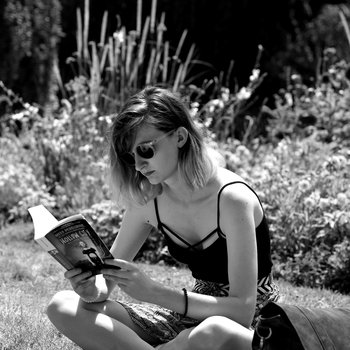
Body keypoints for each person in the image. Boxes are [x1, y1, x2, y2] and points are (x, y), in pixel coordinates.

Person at [46, 86, 280, 350]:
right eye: (130, 155)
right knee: (62, 305)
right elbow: (106, 281)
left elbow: (242, 311)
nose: (137, 165)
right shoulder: (149, 202)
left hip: (250, 327)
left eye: (145, 150)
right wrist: (92, 290)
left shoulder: (232, 199)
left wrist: (154, 292)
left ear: (180, 137)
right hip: (188, 318)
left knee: (210, 333)